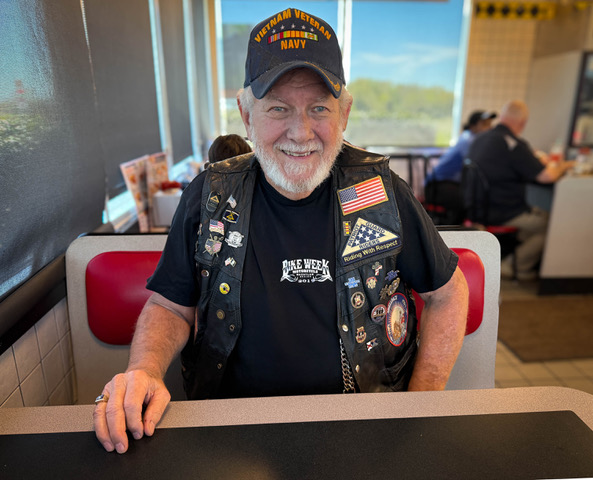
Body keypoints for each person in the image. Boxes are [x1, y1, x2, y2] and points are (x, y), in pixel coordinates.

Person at [93, 8, 469, 454]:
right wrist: (145, 370)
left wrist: (418, 411)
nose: (301, 132)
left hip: (364, 429)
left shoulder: (383, 193)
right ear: (246, 115)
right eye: (278, 108)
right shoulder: (210, 195)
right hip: (229, 433)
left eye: (319, 108)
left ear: (344, 114)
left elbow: (449, 294)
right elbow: (170, 306)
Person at [467, 100, 575, 281]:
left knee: (536, 220)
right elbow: (547, 176)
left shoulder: (480, 138)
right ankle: (512, 266)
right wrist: (564, 166)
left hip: (476, 208)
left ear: (501, 117)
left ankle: (513, 256)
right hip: (502, 212)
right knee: (550, 224)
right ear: (522, 123)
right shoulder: (513, 144)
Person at [424, 110, 496, 224]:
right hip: (437, 187)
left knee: (471, 198)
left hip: (444, 184)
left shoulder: (469, 138)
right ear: (473, 126)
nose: (489, 128)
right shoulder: (469, 141)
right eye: (484, 124)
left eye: (490, 124)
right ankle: (453, 230)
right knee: (469, 201)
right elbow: (479, 164)